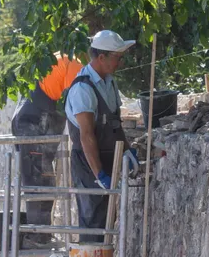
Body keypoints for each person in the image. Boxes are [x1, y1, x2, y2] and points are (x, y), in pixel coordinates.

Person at [65, 30, 138, 241]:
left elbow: (115, 123)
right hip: (89, 163)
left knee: (107, 223)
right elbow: (86, 136)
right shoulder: (82, 89)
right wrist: (99, 175)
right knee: (93, 223)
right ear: (101, 57)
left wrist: (128, 150)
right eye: (117, 58)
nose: (120, 63)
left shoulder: (110, 82)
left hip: (108, 159)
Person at [11, 53, 83, 236]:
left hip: (31, 117)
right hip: (32, 121)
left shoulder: (63, 59)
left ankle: (40, 235)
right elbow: (76, 108)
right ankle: (37, 236)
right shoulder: (74, 66)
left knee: (45, 180)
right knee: (38, 181)